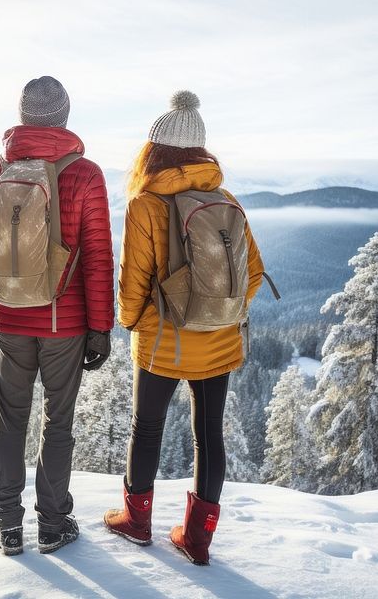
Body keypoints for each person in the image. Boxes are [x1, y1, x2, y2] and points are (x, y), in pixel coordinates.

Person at [104, 90, 266, 566]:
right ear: (200, 152)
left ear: (154, 150)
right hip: (219, 340)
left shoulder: (145, 204)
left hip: (163, 339)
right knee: (209, 433)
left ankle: (136, 521)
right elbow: (253, 272)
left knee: (147, 427)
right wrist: (219, 311)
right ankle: (197, 539)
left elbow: (133, 278)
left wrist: (132, 322)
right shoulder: (225, 199)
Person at [0, 76, 114, 556]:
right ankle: (53, 524)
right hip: (64, 324)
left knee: (10, 421)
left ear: (23, 115)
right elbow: (96, 256)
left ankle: (9, 525)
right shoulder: (85, 174)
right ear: (65, 117)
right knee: (58, 421)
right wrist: (100, 328)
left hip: (11, 321)